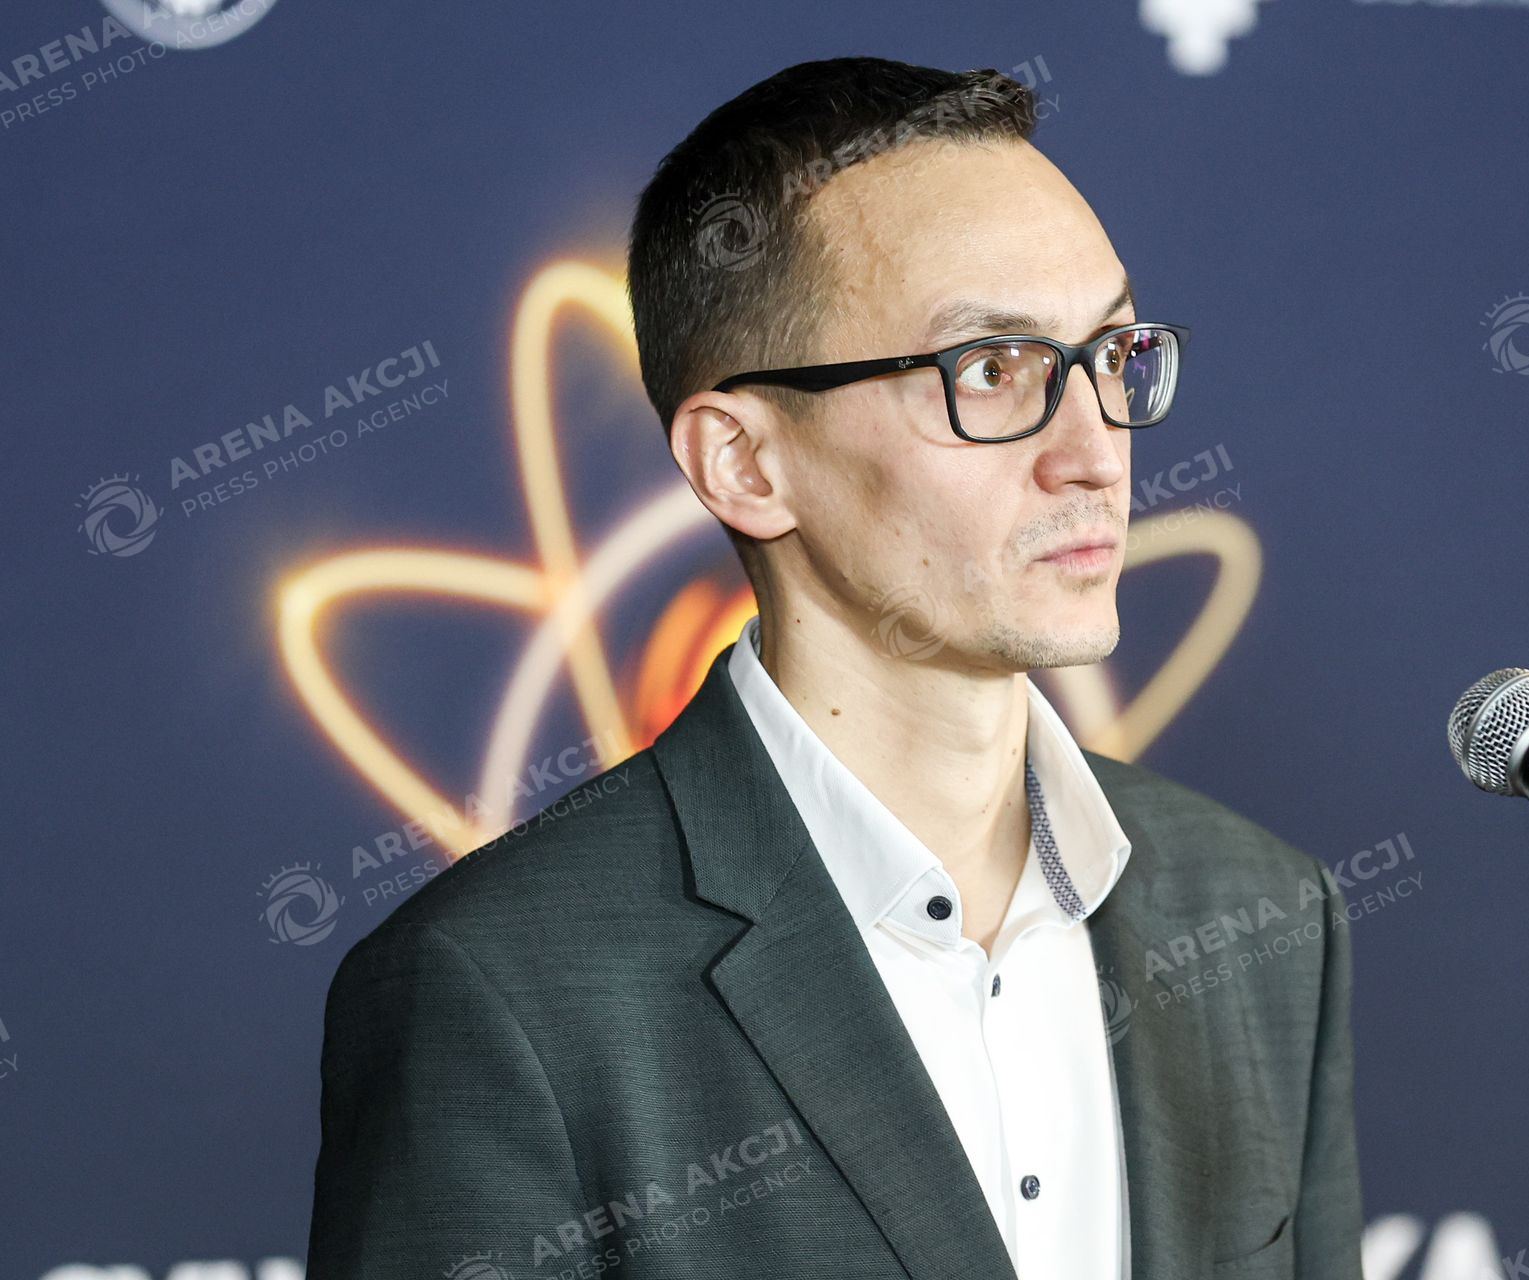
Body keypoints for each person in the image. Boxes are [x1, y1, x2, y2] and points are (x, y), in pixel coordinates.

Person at [307, 55, 1362, 1279]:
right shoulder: (502, 990)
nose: (1095, 450)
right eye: (992, 369)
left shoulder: (1262, 908)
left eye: (1112, 353)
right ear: (745, 463)